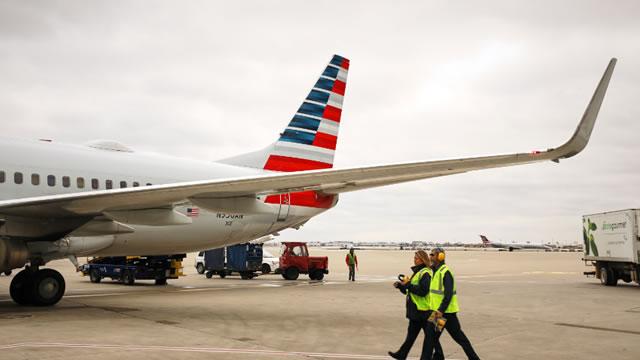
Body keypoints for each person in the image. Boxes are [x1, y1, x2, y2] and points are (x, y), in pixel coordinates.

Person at [423, 247, 480, 360]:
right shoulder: (435, 271)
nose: (430, 257)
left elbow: (448, 295)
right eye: (430, 254)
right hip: (438, 312)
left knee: (458, 338)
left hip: (444, 313)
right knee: (431, 337)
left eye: (432, 255)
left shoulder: (445, 272)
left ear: (440, 257)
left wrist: (440, 310)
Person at [388, 250, 444, 360]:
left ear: (422, 259)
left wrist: (408, 284)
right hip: (418, 310)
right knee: (415, 336)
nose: (414, 259)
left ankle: (438, 356)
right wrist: (401, 286)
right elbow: (410, 290)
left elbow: (423, 291)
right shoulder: (418, 272)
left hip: (426, 310)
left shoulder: (425, 273)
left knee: (431, 336)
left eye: (417, 258)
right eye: (414, 257)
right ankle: (402, 354)